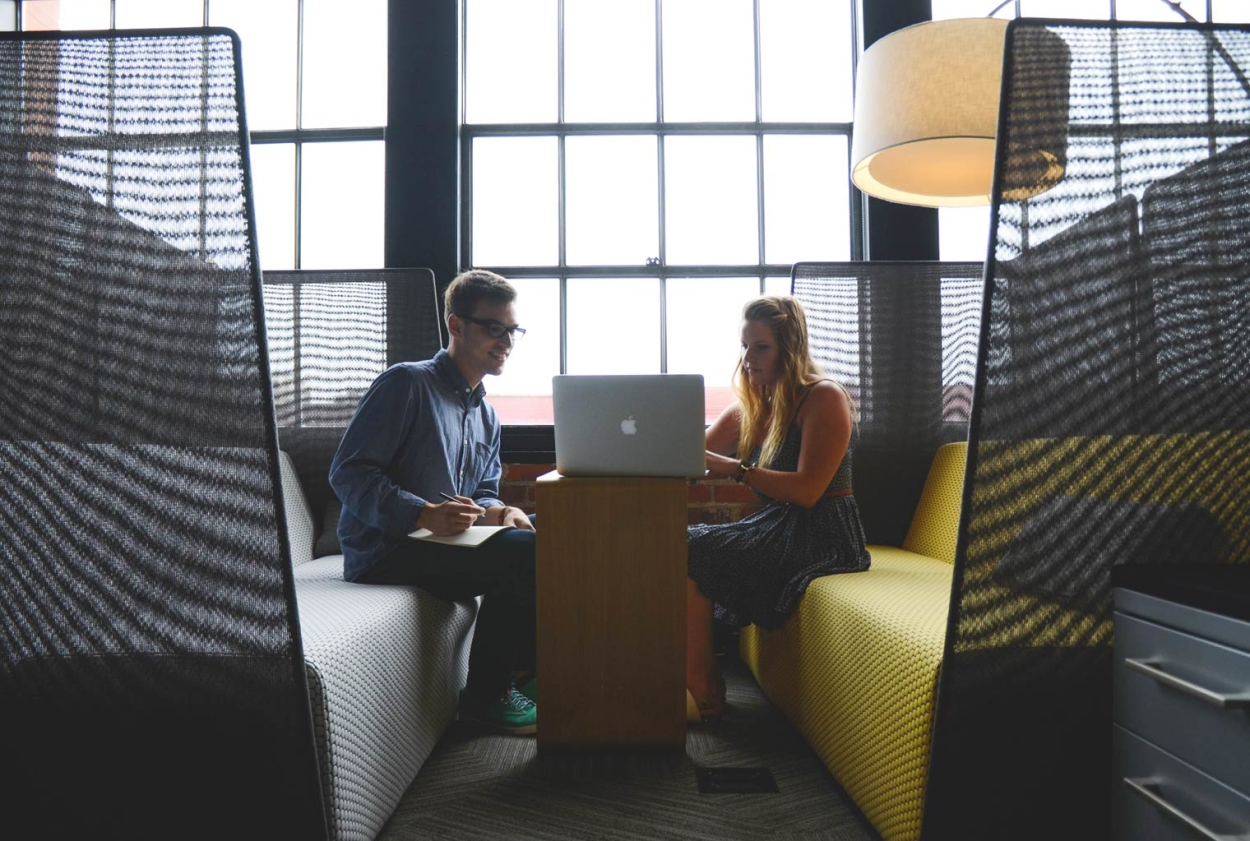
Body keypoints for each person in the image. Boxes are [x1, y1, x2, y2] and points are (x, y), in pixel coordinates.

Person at [329, 269, 539, 735]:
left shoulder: (486, 415)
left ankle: (527, 672)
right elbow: (348, 472)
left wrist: (500, 511)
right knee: (530, 555)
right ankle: (487, 697)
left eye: (512, 330)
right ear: (456, 325)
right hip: (387, 550)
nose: (506, 341)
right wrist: (422, 514)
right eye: (494, 328)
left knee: (552, 531)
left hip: (447, 544)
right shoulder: (406, 384)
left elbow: (483, 490)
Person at [686, 295, 870, 721]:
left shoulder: (823, 398)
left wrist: (737, 470)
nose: (748, 358)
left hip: (824, 533)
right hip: (777, 525)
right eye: (744, 346)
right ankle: (701, 678)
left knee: (690, 549)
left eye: (760, 347)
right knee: (682, 544)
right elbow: (691, 457)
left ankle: (702, 686)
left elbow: (808, 491)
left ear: (789, 348)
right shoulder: (752, 406)